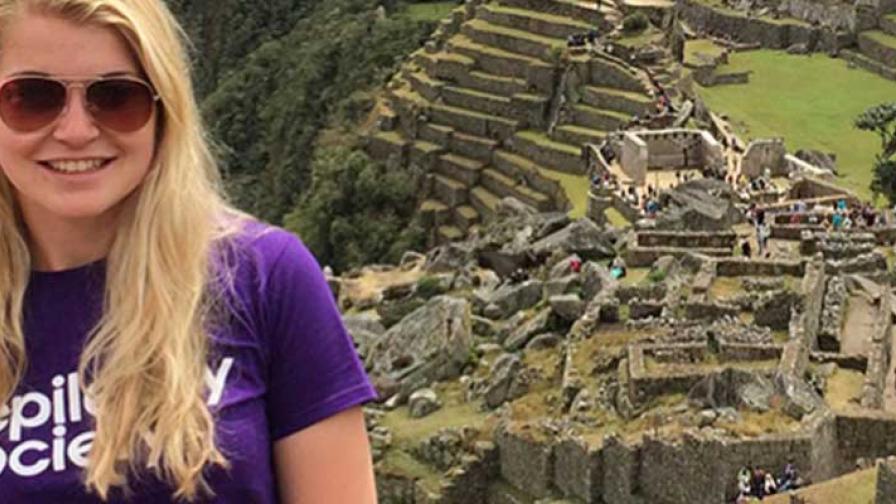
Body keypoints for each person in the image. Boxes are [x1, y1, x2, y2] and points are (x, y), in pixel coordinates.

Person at [0, 1, 378, 502]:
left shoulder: (265, 278)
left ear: (163, 110)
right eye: (31, 98)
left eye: (116, 97)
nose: (75, 131)